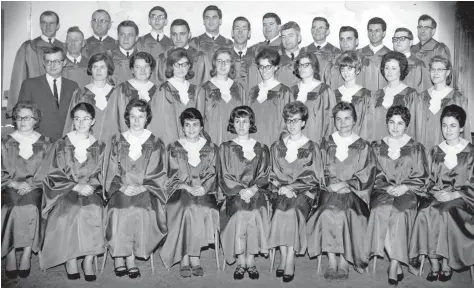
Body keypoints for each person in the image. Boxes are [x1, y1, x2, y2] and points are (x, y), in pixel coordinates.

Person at [307, 101, 376, 281]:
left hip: (354, 193)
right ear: (334, 121)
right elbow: (318, 169)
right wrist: (331, 184)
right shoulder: (326, 143)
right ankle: (331, 260)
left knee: (348, 214)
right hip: (328, 190)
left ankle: (345, 260)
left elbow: (366, 173)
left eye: (347, 118)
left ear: (354, 120)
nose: (343, 122)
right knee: (326, 212)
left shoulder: (363, 145)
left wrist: (346, 185)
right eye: (339, 119)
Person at [40, 102, 106, 282]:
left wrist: (92, 186)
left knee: (93, 210)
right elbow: (53, 172)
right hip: (64, 190)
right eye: (77, 119)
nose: (81, 123)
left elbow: (104, 173)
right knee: (69, 212)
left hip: (92, 191)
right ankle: (71, 259)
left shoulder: (100, 146)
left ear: (93, 121)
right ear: (73, 121)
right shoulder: (62, 144)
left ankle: (89, 258)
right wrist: (75, 186)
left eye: (86, 119)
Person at [409, 105, 474, 283]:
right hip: (437, 196)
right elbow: (427, 179)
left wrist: (455, 195)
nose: (448, 130)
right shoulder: (435, 151)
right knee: (425, 212)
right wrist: (436, 192)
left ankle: (446, 261)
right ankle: (433, 260)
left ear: (461, 127)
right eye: (444, 125)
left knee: (446, 212)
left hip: (464, 201)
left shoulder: (471, 153)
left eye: (453, 125)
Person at [365, 105, 428, 286]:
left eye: (400, 123)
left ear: (406, 125)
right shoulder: (377, 146)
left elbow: (422, 175)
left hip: (407, 191)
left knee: (400, 214)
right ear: (387, 123)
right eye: (391, 122)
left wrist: (405, 186)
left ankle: (394, 263)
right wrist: (386, 186)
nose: (395, 127)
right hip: (382, 190)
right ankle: (396, 259)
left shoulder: (416, 147)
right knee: (379, 211)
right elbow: (373, 172)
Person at [104, 99, 167, 279]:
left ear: (147, 118)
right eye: (133, 116)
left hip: (146, 192)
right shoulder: (117, 140)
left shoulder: (154, 142)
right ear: (127, 118)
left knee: (138, 211)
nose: (137, 121)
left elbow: (159, 171)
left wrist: (144, 187)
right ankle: (118, 256)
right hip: (120, 190)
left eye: (141, 116)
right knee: (117, 210)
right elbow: (110, 169)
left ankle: (130, 257)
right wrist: (121, 186)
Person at [268, 101, 324, 283]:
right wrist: (281, 187)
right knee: (280, 212)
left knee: (291, 212)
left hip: (304, 193)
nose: (291, 124)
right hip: (280, 192)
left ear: (303, 123)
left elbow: (315, 178)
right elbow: (270, 174)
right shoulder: (277, 147)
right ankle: (283, 257)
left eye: (295, 120)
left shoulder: (311, 147)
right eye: (288, 120)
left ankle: (290, 258)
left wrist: (293, 188)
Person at [160, 108, 219, 277]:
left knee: (199, 208)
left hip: (203, 191)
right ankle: (185, 257)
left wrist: (204, 187)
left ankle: (195, 256)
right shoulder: (174, 147)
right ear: (182, 127)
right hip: (180, 191)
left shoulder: (210, 148)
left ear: (201, 127)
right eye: (187, 125)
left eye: (195, 125)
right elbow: (169, 173)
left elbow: (214, 172)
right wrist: (184, 187)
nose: (191, 129)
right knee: (185, 208)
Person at [217, 106, 271, 280]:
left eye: (245, 121)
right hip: (234, 194)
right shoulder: (225, 148)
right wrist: (241, 191)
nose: (241, 125)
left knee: (256, 211)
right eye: (237, 121)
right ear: (232, 123)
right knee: (240, 213)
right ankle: (241, 261)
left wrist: (253, 189)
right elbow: (224, 175)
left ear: (251, 123)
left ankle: (251, 260)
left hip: (257, 192)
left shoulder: (261, 147)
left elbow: (264, 174)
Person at [2, 102, 52, 279]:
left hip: (36, 187)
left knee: (32, 206)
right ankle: (9, 251)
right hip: (8, 186)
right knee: (11, 206)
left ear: (35, 120)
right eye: (19, 117)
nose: (22, 121)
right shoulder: (4, 142)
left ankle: (26, 253)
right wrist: (13, 183)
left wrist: (32, 184)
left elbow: (48, 170)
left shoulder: (45, 143)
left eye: (27, 117)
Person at [8, 11, 64, 115]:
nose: (47, 27)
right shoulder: (28, 47)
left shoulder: (64, 47)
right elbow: (18, 77)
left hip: (60, 104)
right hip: (35, 103)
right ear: (40, 25)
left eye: (51, 23)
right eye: (44, 23)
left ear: (58, 26)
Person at [17, 46, 79, 141]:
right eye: (48, 61)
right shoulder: (30, 85)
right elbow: (21, 116)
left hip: (67, 142)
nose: (52, 65)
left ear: (64, 63)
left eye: (57, 61)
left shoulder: (73, 86)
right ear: (43, 63)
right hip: (38, 143)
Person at [149, 48, 205, 146]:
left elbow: (201, 122)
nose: (181, 68)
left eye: (184, 64)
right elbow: (160, 124)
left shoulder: (197, 91)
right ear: (171, 66)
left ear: (189, 66)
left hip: (193, 142)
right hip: (170, 145)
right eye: (177, 64)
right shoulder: (163, 90)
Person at [416, 56, 471, 150]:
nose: (435, 73)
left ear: (448, 72)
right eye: (433, 69)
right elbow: (417, 128)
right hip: (425, 149)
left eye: (440, 70)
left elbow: (464, 130)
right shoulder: (422, 97)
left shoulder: (457, 98)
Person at [63, 53, 116, 142]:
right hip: (87, 145)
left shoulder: (117, 94)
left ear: (108, 69)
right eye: (95, 67)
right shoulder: (81, 94)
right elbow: (71, 123)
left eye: (102, 67)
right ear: (90, 69)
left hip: (112, 144)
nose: (98, 71)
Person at [369, 51, 419, 142]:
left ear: (401, 70)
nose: (389, 72)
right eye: (387, 68)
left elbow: (413, 125)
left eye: (394, 68)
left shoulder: (410, 94)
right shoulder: (376, 95)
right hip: (379, 144)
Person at [105, 52, 157, 134]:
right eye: (138, 67)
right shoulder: (121, 90)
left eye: (146, 66)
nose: (142, 70)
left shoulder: (158, 91)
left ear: (151, 69)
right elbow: (112, 119)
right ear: (132, 70)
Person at [248, 48, 291, 146]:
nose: (264, 70)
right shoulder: (253, 92)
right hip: (254, 143)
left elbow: (288, 123)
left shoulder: (284, 91)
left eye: (268, 67)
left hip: (274, 143)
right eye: (261, 67)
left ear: (275, 67)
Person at [201, 48, 245, 145]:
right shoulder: (204, 89)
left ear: (232, 64)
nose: (223, 65)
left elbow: (245, 118)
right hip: (212, 142)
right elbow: (199, 120)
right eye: (219, 61)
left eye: (227, 61)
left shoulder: (239, 89)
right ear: (214, 63)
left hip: (235, 143)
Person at [291, 52, 336, 143]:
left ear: (314, 67)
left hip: (316, 139)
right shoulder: (291, 91)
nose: (302, 68)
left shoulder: (324, 91)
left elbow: (330, 121)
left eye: (306, 65)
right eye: (300, 65)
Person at [155, 19, 211, 86]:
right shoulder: (163, 58)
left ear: (189, 35)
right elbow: (158, 87)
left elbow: (207, 85)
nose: (178, 38)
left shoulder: (200, 57)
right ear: (170, 36)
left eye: (182, 34)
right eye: (174, 34)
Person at [334, 51, 372, 139]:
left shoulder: (366, 95)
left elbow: (367, 123)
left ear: (358, 70)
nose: (346, 73)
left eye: (350, 69)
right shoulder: (334, 93)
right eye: (343, 69)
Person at [411, 15, 451, 90]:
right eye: (420, 27)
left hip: (431, 95)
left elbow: (445, 78)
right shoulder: (412, 50)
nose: (422, 31)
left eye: (426, 27)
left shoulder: (440, 49)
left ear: (433, 31)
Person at [324, 26, 366, 90]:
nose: (344, 42)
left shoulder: (366, 63)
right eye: (342, 39)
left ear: (357, 41)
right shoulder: (332, 65)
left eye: (349, 39)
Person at [358, 17, 391, 92]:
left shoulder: (391, 55)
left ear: (384, 33)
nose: (373, 34)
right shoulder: (358, 54)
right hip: (361, 98)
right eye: (370, 30)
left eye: (377, 31)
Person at [231, 16, 260, 94]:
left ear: (249, 33)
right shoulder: (223, 57)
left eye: (244, 29)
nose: (240, 32)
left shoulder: (257, 58)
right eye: (237, 28)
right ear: (232, 33)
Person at [106, 21, 140, 86]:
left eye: (130, 35)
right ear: (118, 36)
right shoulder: (108, 57)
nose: (126, 39)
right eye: (122, 34)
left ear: (136, 38)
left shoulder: (142, 58)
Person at [392, 28, 425, 93]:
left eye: (402, 39)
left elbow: (422, 90)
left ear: (410, 42)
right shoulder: (388, 63)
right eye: (395, 39)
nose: (398, 42)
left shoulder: (418, 64)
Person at [276, 21, 302, 88]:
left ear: (299, 38)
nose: (287, 40)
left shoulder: (309, 59)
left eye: (290, 35)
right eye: (283, 37)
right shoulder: (275, 60)